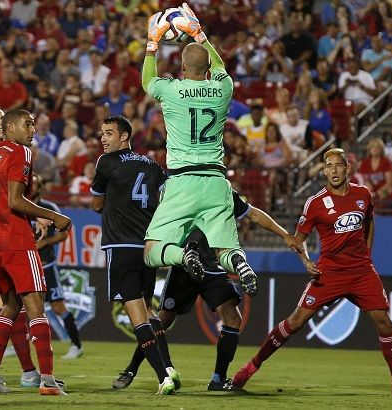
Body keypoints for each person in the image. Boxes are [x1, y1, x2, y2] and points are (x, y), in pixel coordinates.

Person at [231, 148, 392, 396]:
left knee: (385, 323)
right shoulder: (315, 203)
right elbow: (297, 239)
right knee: (296, 321)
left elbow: (369, 222)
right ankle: (250, 367)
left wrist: (367, 255)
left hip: (361, 272)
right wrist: (305, 260)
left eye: (337, 166)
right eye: (328, 166)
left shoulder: (363, 194)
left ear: (347, 169)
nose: (333, 171)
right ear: (324, 171)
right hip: (329, 272)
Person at [113, 189, 302, 392]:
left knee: (233, 318)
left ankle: (218, 379)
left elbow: (253, 214)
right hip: (185, 266)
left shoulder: (224, 192)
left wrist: (284, 234)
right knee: (161, 320)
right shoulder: (183, 188)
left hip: (212, 265)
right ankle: (131, 369)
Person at [142, 3, 258, 302]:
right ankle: (239, 262)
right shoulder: (223, 88)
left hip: (183, 181)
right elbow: (220, 68)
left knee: (152, 250)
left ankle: (184, 257)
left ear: (182, 67)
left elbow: (147, 82)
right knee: (225, 251)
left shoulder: (171, 90)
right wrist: (200, 35)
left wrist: (153, 44)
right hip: (217, 182)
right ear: (207, 68)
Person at [0, 108, 71, 396]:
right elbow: (16, 201)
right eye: (27, 124)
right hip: (15, 239)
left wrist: (37, 215)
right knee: (35, 306)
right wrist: (52, 215)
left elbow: (6, 197)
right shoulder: (21, 151)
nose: (33, 130)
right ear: (10, 128)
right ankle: (47, 380)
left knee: (9, 305)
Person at [90, 115, 178, 395]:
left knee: (137, 316)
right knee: (150, 311)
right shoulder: (153, 165)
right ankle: (169, 367)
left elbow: (95, 204)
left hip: (121, 246)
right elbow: (166, 200)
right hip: (148, 247)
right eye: (101, 133)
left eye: (109, 133)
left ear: (124, 136)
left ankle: (163, 376)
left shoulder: (106, 163)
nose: (103, 138)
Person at [31, 173, 83, 358]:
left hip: (46, 265)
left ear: (40, 188)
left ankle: (76, 345)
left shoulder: (49, 208)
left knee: (58, 307)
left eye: (34, 184)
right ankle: (18, 344)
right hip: (28, 265)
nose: (30, 186)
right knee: (22, 308)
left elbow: (63, 234)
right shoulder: (20, 205)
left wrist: (45, 243)